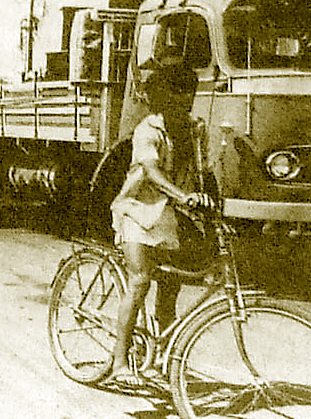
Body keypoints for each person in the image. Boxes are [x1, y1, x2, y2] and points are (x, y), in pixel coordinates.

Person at [107, 63, 215, 387]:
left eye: (188, 95)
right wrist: (183, 196)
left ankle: (163, 360)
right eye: (176, 96)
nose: (184, 103)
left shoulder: (195, 130)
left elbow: (204, 171)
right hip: (138, 211)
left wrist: (211, 201)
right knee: (140, 280)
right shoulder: (148, 130)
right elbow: (152, 172)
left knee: (169, 289)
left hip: (169, 216)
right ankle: (119, 362)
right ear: (164, 97)